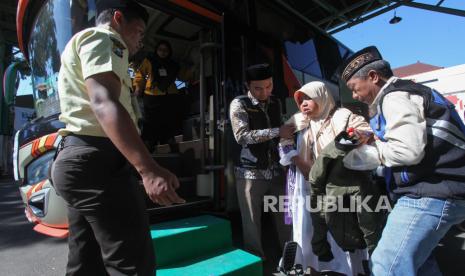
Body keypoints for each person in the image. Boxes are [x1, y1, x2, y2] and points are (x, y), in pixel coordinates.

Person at [51, 1, 185, 275]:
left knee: (86, 263)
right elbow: (103, 102)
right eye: (138, 31)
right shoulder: (106, 38)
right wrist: (148, 169)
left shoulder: (79, 44)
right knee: (133, 265)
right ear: (118, 19)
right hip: (100, 163)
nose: (140, 40)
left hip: (76, 161)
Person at [341, 45, 465, 275]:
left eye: (354, 88)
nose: (354, 96)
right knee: (420, 263)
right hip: (443, 188)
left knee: (387, 264)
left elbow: (408, 150)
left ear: (373, 77)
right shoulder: (409, 92)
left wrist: (366, 155)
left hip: (431, 191)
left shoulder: (395, 96)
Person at [278, 81, 372, 275]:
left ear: (322, 96)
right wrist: (297, 160)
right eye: (300, 99)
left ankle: (345, 270)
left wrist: (342, 146)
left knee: (340, 228)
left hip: (338, 183)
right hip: (306, 184)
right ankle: (313, 268)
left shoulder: (343, 116)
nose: (303, 103)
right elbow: (284, 139)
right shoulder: (298, 121)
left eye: (308, 98)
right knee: (308, 229)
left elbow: (365, 132)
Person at [229, 63, 294, 260]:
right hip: (249, 174)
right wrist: (277, 131)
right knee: (251, 223)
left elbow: (283, 132)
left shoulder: (275, 103)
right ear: (247, 85)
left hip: (275, 170)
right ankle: (257, 262)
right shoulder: (239, 104)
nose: (264, 92)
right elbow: (242, 136)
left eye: (269, 86)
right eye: (258, 88)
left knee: (285, 219)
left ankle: (291, 258)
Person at [133, 40, 181, 152]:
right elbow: (140, 76)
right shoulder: (149, 60)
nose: (163, 52)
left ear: (169, 52)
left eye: (166, 50)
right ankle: (149, 148)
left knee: (168, 122)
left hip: (169, 97)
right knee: (150, 123)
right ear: (156, 50)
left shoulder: (174, 65)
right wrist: (138, 89)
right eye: (160, 49)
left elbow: (183, 76)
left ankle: (172, 147)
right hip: (151, 96)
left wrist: (193, 72)